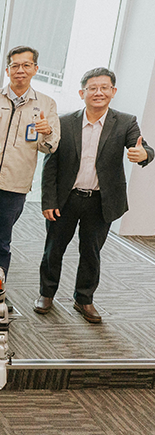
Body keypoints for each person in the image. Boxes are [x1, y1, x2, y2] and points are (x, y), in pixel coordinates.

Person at [36, 67, 153, 323]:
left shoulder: (125, 122)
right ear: (82, 93)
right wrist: (49, 201)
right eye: (92, 88)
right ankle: (47, 293)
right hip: (66, 200)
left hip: (100, 201)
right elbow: (50, 166)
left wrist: (143, 155)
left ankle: (84, 299)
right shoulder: (65, 122)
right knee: (53, 249)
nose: (98, 92)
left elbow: (142, 146)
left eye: (104, 87)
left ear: (113, 92)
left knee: (91, 252)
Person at [0, 46, 60, 309]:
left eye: (26, 65)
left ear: (35, 69)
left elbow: (51, 147)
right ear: (7, 69)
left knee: (2, 242)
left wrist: (46, 133)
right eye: (15, 65)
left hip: (15, 185)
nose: (20, 70)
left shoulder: (46, 104)